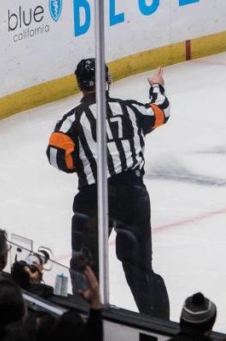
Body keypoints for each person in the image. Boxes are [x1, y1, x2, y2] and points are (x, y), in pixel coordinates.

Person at [46, 60, 171, 317]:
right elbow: (161, 111)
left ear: (79, 84)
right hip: (132, 193)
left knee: (85, 265)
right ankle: (159, 327)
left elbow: (57, 155)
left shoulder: (72, 120)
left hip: (93, 198)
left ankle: (85, 318)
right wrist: (156, 86)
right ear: (108, 81)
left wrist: (80, 163)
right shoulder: (130, 110)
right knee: (139, 267)